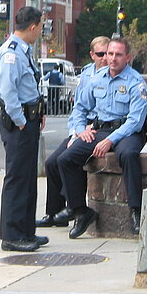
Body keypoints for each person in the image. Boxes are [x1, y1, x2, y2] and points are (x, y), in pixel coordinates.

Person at [53, 37, 147, 239]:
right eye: (109, 54)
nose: (112, 59)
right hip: (100, 129)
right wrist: (81, 130)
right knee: (65, 159)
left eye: (118, 55)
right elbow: (79, 108)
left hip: (128, 132)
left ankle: (135, 210)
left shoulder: (136, 83)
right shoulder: (97, 79)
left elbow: (135, 121)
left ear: (128, 58)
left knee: (128, 155)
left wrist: (110, 140)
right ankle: (81, 211)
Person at [37, 36, 110, 230]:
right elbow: (78, 108)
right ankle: (53, 213)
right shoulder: (86, 74)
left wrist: (87, 130)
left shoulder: (111, 75)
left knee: (71, 159)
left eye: (108, 53)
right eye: (100, 54)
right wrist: (74, 133)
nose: (105, 58)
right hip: (80, 126)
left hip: (99, 127)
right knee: (52, 163)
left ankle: (76, 209)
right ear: (92, 55)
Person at [0, 6, 47, 252]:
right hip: (19, 124)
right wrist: (22, 121)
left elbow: (29, 86)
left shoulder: (24, 51)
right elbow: (8, 91)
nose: (41, 31)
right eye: (41, 27)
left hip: (30, 119)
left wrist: (39, 114)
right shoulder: (11, 53)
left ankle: (26, 231)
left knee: (28, 178)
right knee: (17, 178)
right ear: (33, 26)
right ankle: (12, 235)